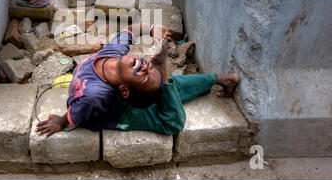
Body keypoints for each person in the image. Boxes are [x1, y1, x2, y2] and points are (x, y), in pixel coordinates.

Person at [35, 24, 240, 137]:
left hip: (121, 115)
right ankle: (209, 80)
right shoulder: (114, 54)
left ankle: (180, 80)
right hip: (113, 108)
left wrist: (60, 122)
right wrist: (151, 28)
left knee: (171, 112)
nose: (143, 65)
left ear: (125, 90)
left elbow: (74, 115)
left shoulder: (96, 93)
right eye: (147, 65)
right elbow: (130, 30)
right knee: (166, 89)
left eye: (144, 72)